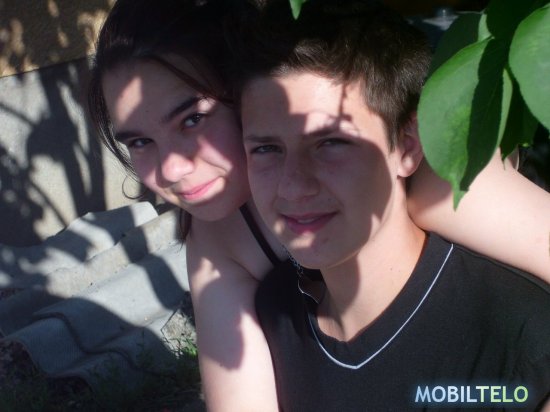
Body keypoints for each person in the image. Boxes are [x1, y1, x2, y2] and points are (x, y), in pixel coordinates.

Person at [88, 0, 550, 410]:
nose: (171, 169)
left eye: (192, 119)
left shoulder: (430, 172)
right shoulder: (219, 239)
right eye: (140, 141)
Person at [234, 0, 550, 410]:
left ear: (407, 146)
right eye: (266, 149)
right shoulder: (273, 315)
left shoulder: (518, 336)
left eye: (331, 143)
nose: (292, 186)